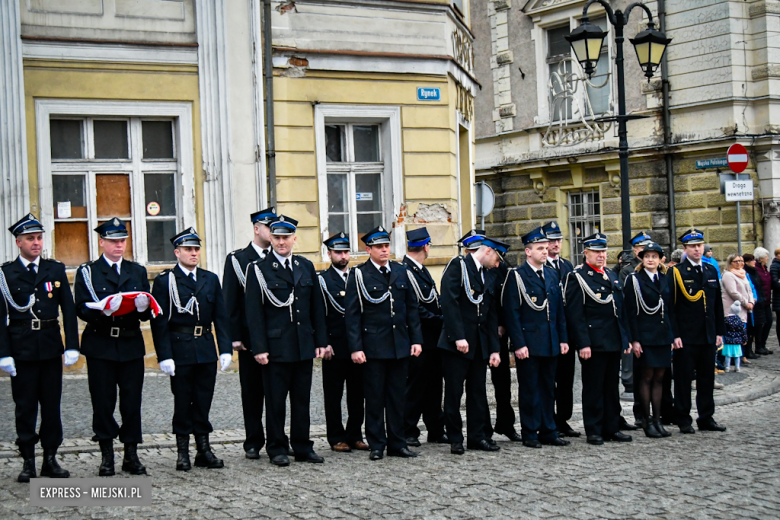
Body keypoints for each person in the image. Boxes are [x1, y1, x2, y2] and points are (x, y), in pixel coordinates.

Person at [0, 214, 79, 482]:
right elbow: (1, 317)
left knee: (51, 405)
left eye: (39, 238)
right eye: (30, 239)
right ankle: (28, 461)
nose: (36, 243)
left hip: (48, 346)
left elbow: (68, 310)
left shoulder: (54, 269)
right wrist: (4, 353)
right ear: (18, 242)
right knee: (24, 407)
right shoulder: (6, 273)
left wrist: (72, 346)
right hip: (21, 348)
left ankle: (50, 458)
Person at [245, 215, 329, 466]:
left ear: (294, 239)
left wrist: (321, 341)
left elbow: (317, 308)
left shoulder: (305, 266)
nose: (282, 242)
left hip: (303, 345)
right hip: (276, 347)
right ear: (270, 238)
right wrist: (259, 347)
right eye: (277, 237)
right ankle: (277, 447)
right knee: (275, 401)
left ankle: (303, 446)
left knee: (302, 400)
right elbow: (254, 313)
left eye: (286, 238)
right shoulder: (258, 269)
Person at [74, 218, 152, 476]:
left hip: (130, 343)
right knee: (103, 401)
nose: (119, 245)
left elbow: (145, 313)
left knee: (132, 402)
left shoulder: (137, 271)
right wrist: (103, 311)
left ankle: (131, 454)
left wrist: (143, 308)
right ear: (101, 242)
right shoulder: (88, 271)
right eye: (113, 241)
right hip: (101, 343)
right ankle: (107, 454)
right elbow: (82, 308)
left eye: (122, 241)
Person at [345, 226, 423, 461]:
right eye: (379, 247)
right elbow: (352, 315)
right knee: (375, 398)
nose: (384, 250)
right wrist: (356, 347)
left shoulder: (401, 272)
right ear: (369, 249)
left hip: (399, 344)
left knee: (397, 397)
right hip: (373, 346)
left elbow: (412, 309)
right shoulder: (359, 275)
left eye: (387, 246)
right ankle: (377, 444)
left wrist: (416, 339)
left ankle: (397, 443)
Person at [502, 226, 569, 448]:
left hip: (550, 340)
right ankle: (530, 431)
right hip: (529, 343)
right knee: (530, 389)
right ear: (528, 251)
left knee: (549, 388)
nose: (545, 251)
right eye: (540, 248)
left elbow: (559, 311)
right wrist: (518, 344)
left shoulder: (551, 274)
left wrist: (563, 339)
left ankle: (548, 429)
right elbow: (512, 314)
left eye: (546, 247)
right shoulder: (518, 277)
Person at [438, 232, 504, 455]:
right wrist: (458, 336)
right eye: (497, 257)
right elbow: (448, 301)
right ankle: (456, 438)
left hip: (478, 344)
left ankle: (477, 437)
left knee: (478, 393)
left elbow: (490, 314)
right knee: (454, 394)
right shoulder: (458, 266)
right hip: (456, 344)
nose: (497, 264)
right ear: (487, 251)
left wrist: (494, 348)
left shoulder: (486, 274)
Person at [564, 233, 632, 446]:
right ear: (586, 253)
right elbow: (575, 314)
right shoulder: (578, 277)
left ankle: (611, 427)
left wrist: (625, 339)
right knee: (593, 388)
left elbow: (620, 311)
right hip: (593, 342)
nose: (601, 255)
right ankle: (593, 429)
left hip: (612, 340)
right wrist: (583, 342)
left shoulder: (611, 275)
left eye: (603, 251)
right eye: (596, 252)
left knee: (611, 387)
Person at [221, 207, 276, 459]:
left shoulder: (279, 257)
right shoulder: (238, 259)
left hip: (276, 336)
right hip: (249, 338)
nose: (273, 232)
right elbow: (230, 301)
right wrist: (234, 336)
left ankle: (277, 439)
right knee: (252, 392)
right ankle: (253, 441)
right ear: (257, 228)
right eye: (268, 227)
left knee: (276, 392)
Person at [668, 228, 726, 433]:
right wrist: (674, 335)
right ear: (685, 249)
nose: (697, 250)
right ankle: (683, 418)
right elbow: (670, 307)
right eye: (692, 246)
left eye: (699, 246)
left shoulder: (710, 271)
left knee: (706, 378)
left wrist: (719, 331)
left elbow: (717, 304)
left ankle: (706, 417)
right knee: (683, 380)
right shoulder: (676, 272)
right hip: (686, 336)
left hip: (708, 334)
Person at [318, 232, 368, 452]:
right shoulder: (322, 279)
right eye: (338, 252)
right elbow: (319, 314)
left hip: (357, 345)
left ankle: (355, 433)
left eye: (346, 251)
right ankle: (336, 436)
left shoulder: (358, 276)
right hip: (334, 345)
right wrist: (323, 342)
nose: (343, 256)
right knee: (333, 394)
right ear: (329, 254)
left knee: (358, 393)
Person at [623, 242, 677, 439]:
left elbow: (670, 310)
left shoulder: (665, 278)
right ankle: (646, 420)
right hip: (645, 336)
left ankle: (657, 419)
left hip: (662, 336)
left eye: (654, 256)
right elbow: (630, 312)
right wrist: (634, 340)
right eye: (647, 256)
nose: (651, 260)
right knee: (646, 378)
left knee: (660, 379)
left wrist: (672, 335)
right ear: (641, 259)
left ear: (661, 259)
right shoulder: (634, 280)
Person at [402, 227, 448, 447]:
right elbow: (414, 306)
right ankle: (408, 430)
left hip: (432, 338)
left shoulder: (420, 270)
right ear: (425, 246)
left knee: (433, 387)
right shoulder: (406, 271)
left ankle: (435, 428)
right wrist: (438, 319)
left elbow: (432, 299)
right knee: (416, 387)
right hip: (418, 337)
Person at [542, 221, 579, 438]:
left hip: (567, 331)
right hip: (548, 330)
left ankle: (563, 418)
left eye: (558, 240)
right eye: (551, 240)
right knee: (549, 378)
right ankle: (549, 419)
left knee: (566, 379)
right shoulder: (539, 265)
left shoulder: (567, 266)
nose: (556, 244)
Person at [748, 248, 773, 357]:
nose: (768, 258)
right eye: (766, 256)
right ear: (761, 257)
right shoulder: (757, 269)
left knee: (768, 322)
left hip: (766, 300)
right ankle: (759, 346)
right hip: (759, 300)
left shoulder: (764, 268)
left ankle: (762, 344)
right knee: (759, 324)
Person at [723, 301, 746, 372]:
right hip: (737, 340)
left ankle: (727, 367)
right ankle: (737, 367)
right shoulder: (740, 320)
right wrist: (745, 339)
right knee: (737, 355)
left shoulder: (726, 320)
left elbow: (724, 329)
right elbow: (743, 331)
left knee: (728, 355)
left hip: (728, 340)